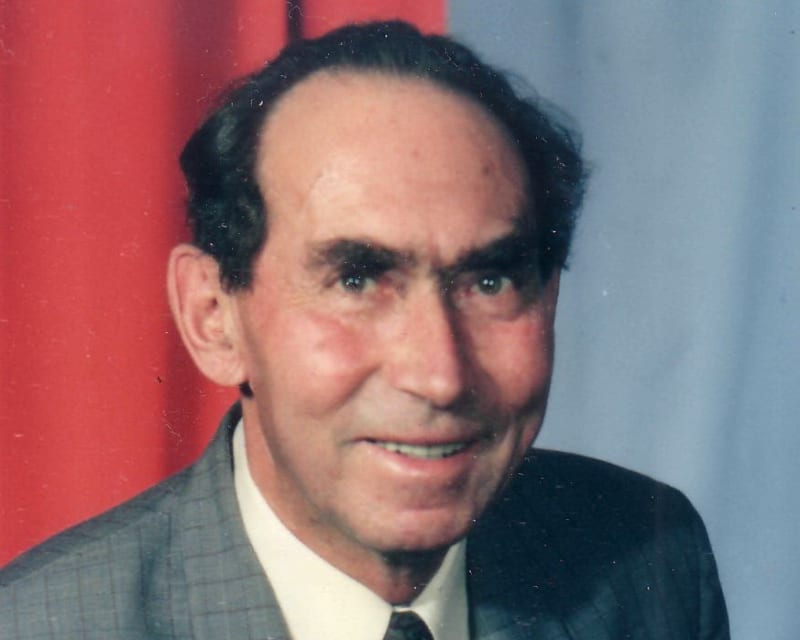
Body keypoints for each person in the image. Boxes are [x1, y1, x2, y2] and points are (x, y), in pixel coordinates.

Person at [0, 21, 729, 639]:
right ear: (213, 318)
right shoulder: (41, 625)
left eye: (489, 282)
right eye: (357, 281)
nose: (439, 375)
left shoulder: (650, 560)